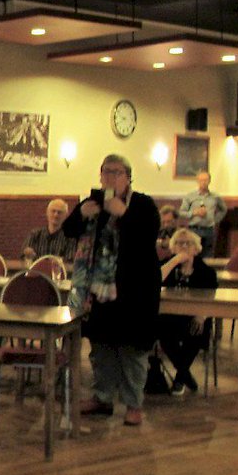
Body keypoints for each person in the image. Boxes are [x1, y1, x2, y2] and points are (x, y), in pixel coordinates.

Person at [62, 154, 160, 426]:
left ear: (128, 177)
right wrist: (81, 214)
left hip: (134, 291)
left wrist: (123, 214)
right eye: (105, 172)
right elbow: (69, 230)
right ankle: (102, 397)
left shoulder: (142, 204)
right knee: (101, 346)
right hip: (98, 291)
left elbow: (148, 235)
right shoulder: (92, 201)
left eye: (116, 172)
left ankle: (133, 404)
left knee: (132, 350)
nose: (110, 177)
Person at [157, 228, 216, 395]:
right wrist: (174, 262)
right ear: (173, 248)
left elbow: (212, 299)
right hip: (170, 317)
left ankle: (180, 376)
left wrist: (201, 316)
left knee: (196, 332)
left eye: (188, 243)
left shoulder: (206, 272)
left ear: (196, 248)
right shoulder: (168, 265)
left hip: (195, 317)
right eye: (179, 243)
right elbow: (155, 280)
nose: (183, 247)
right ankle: (184, 375)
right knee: (162, 331)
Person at [179, 171, 227, 257]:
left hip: (209, 230)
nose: (203, 182)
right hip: (194, 229)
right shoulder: (190, 196)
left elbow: (223, 209)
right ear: (197, 181)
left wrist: (215, 219)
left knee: (208, 256)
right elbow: (181, 212)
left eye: (206, 180)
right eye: (201, 180)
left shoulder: (215, 197)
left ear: (209, 181)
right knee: (193, 255)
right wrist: (193, 213)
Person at [21, 198, 75, 263]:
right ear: (47, 213)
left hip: (59, 272)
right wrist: (27, 254)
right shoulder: (35, 234)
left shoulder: (70, 238)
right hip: (36, 272)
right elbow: (24, 256)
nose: (56, 215)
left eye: (59, 212)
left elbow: (69, 260)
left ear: (66, 216)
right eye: (53, 211)